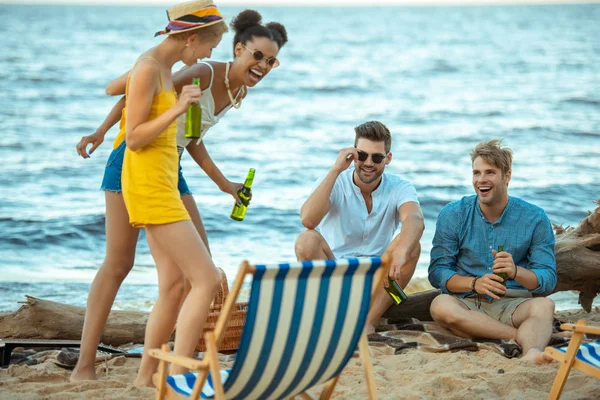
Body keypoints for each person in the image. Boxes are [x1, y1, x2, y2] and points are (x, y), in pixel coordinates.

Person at [71, 7, 288, 384]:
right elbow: (137, 94)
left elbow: (192, 137)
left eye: (271, 61)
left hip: (172, 164)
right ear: (237, 49)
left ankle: (153, 371)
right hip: (134, 159)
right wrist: (102, 130)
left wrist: (225, 185)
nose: (263, 65)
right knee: (119, 264)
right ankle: (85, 366)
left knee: (189, 276)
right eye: (257, 55)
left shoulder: (238, 91)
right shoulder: (203, 71)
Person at [428, 139, 557, 364]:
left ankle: (532, 353)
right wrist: (474, 283)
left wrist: (516, 271)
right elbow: (438, 272)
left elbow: (547, 279)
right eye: (476, 172)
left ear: (507, 176)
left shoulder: (535, 218)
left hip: (514, 304)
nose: (481, 179)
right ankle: (520, 337)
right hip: (466, 301)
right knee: (440, 306)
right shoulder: (454, 214)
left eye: (490, 172)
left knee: (544, 306)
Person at [295, 121, 425, 334]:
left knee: (411, 244)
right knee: (306, 240)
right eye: (362, 155)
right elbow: (308, 220)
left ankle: (368, 321)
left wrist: (402, 251)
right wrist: (336, 169)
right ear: (352, 154)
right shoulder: (334, 181)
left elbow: (415, 218)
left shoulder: (400, 186)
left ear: (388, 159)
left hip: (378, 282)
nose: (368, 163)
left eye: (377, 157)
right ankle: (331, 313)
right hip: (335, 279)